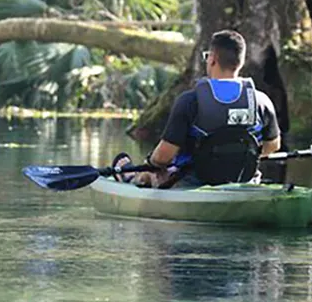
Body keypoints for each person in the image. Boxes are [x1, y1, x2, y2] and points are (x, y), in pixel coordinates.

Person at [117, 30, 281, 189]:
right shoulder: (261, 101)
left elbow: (163, 156)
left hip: (193, 182)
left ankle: (131, 178)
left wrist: (150, 164)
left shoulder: (189, 100)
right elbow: (273, 145)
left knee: (150, 171)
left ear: (212, 59)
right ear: (241, 62)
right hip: (243, 181)